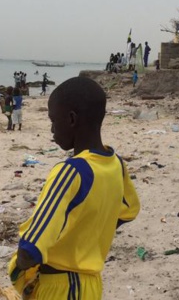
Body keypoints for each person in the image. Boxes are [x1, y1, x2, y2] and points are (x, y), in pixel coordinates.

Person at [8, 77, 140, 298]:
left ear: (71, 119)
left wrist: (18, 267)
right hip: (91, 285)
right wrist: (85, 237)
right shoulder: (116, 164)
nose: (52, 129)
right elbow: (128, 211)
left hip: (60, 288)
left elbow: (30, 250)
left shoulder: (70, 172)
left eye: (53, 121)